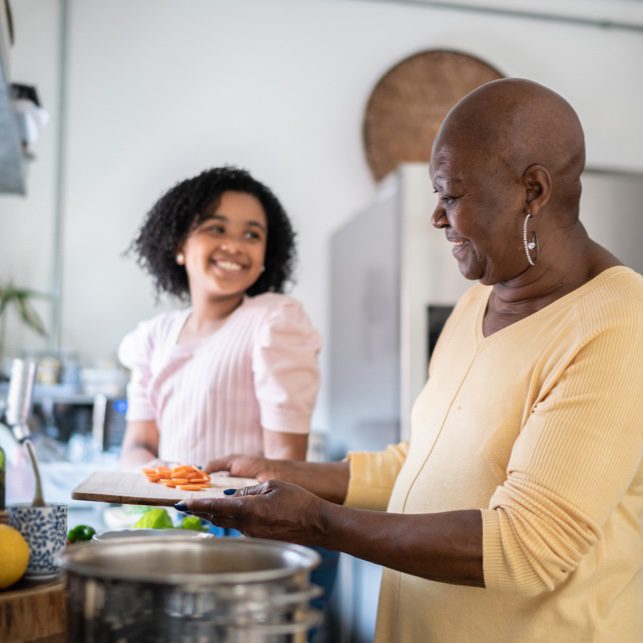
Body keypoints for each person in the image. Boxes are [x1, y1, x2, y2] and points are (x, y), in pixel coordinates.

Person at [176, 79, 643, 643]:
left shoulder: (618, 324)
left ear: (533, 191)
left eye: (451, 195)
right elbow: (423, 463)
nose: (438, 219)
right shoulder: (478, 304)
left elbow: (528, 546)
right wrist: (284, 474)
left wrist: (316, 522)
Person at [118, 166, 321, 468]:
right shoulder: (153, 336)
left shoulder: (275, 322)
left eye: (252, 235)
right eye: (216, 228)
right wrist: (158, 475)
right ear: (179, 245)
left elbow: (286, 464)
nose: (235, 246)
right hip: (163, 508)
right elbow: (138, 445)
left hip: (245, 515)